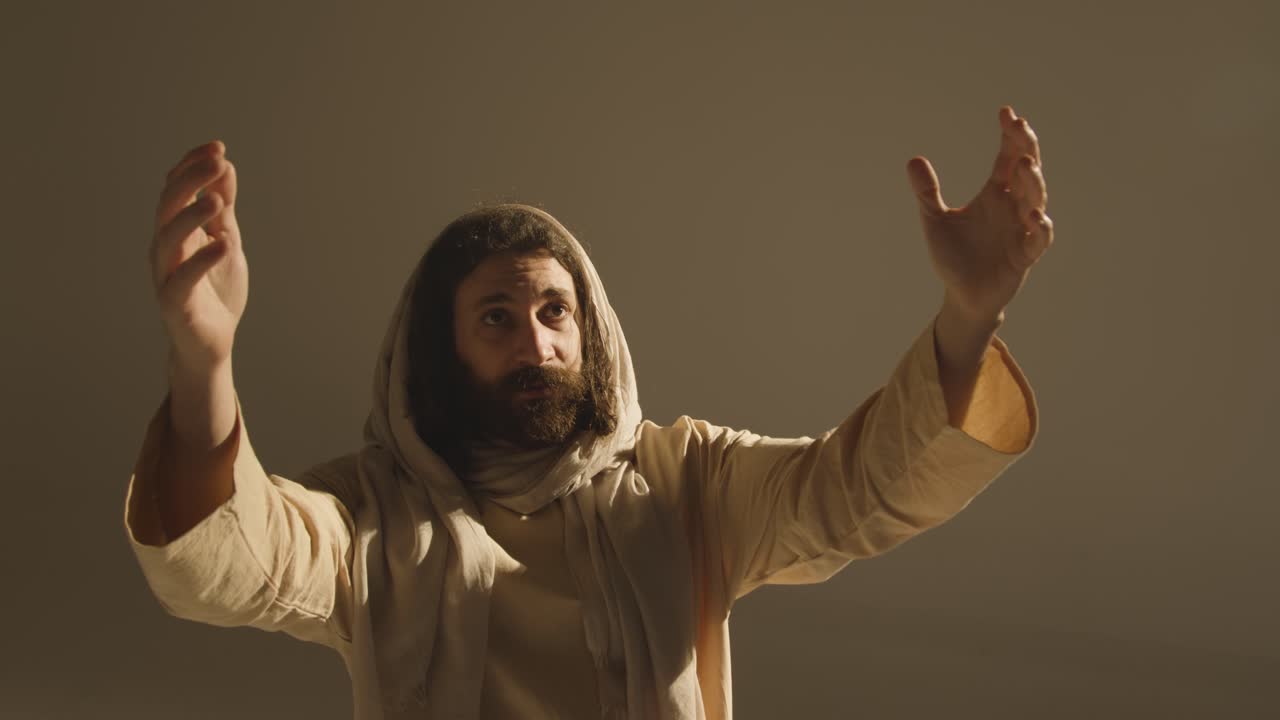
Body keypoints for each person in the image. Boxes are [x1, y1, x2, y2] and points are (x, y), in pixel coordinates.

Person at [124, 105, 1049, 720]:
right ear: (443, 353)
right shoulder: (372, 516)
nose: (536, 345)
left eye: (553, 312)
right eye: (497, 318)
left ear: (590, 328)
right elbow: (232, 558)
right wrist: (204, 358)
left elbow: (857, 492)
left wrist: (969, 316)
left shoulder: (687, 484)